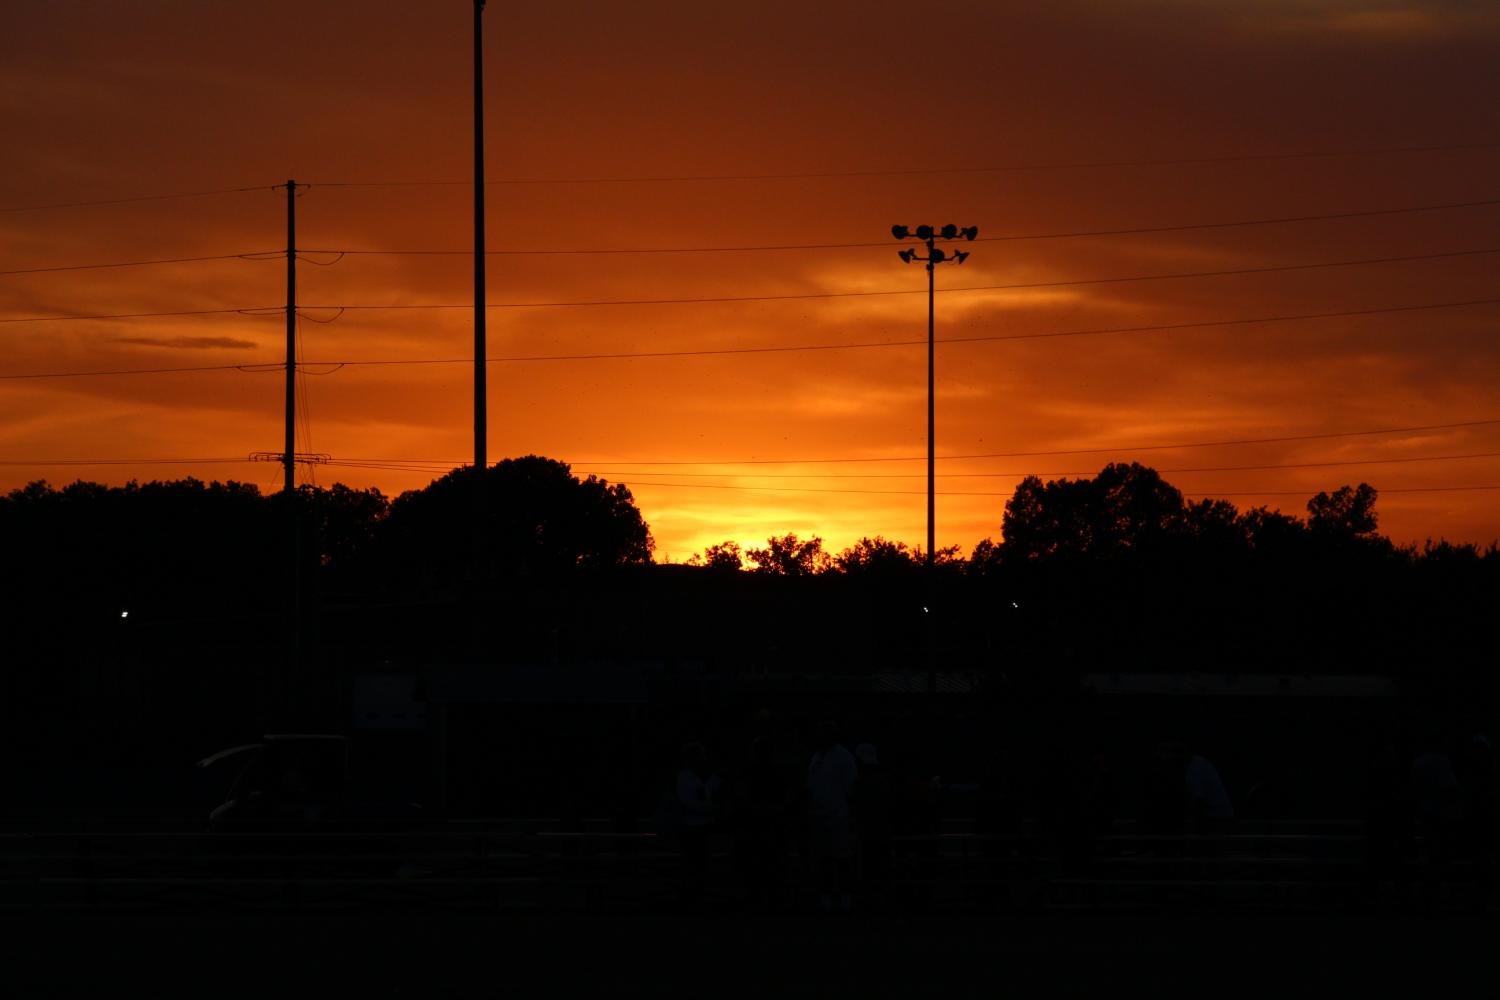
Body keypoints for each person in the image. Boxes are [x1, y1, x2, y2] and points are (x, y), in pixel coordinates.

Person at [806, 721, 858, 913]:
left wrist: (849, 815)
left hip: (839, 817)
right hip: (819, 817)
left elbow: (851, 789)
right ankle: (827, 897)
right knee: (825, 859)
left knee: (842, 858)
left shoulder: (844, 758)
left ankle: (845, 898)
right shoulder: (817, 757)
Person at [851, 742, 893, 905]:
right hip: (882, 829)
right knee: (881, 866)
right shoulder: (883, 778)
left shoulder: (861, 780)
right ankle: (881, 898)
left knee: (868, 868)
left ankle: (870, 899)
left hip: (867, 831)